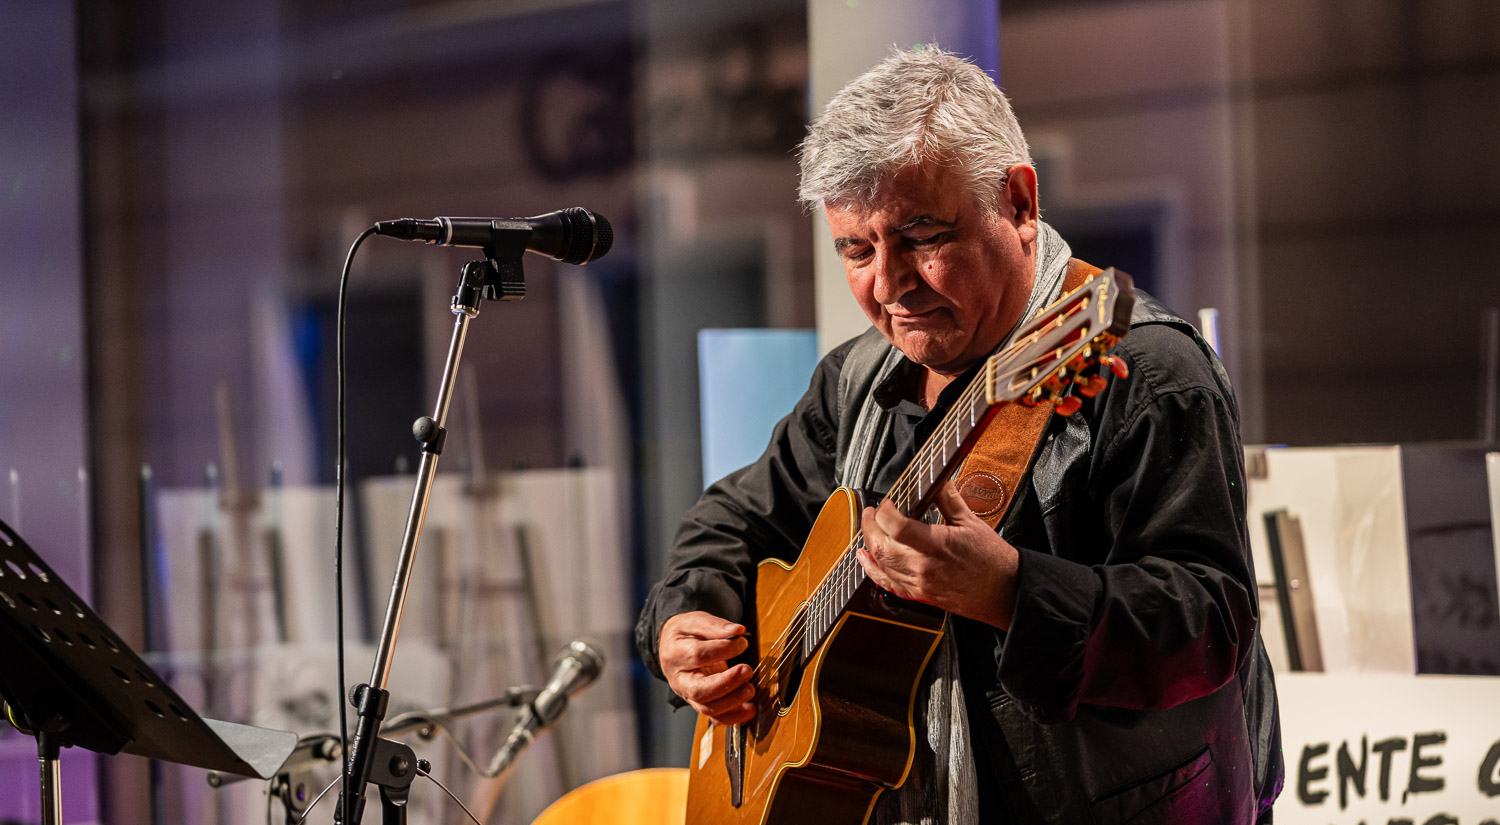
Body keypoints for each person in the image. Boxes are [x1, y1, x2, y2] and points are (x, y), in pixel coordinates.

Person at [635, 46, 1282, 824]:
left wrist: (1014, 592)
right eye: (856, 249)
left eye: (921, 235)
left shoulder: (1145, 368)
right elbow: (734, 518)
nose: (889, 283)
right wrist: (684, 621)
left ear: (1017, 200)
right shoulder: (858, 380)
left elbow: (1210, 621)